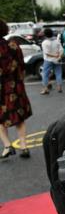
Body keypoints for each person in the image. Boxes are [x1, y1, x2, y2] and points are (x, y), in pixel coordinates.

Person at [0, 19, 32, 159]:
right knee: (19, 117)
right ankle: (24, 147)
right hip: (16, 87)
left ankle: (8, 146)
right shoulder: (14, 45)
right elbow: (22, 67)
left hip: (1, 88)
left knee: (1, 119)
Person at [40, 28, 64, 95]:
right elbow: (62, 50)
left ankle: (46, 89)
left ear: (45, 35)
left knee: (45, 74)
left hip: (48, 60)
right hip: (57, 60)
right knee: (58, 73)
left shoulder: (45, 42)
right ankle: (59, 88)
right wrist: (58, 56)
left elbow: (46, 53)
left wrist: (54, 56)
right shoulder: (56, 41)